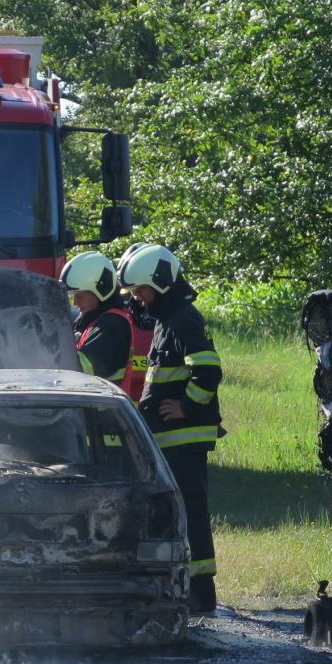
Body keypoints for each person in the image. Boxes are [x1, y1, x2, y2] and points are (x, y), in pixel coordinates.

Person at [117, 243, 223, 614]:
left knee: (190, 511)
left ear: (160, 284)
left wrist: (186, 404)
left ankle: (201, 592)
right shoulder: (167, 320)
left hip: (185, 439)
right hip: (170, 439)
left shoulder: (183, 319)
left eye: (142, 290)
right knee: (177, 513)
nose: (139, 299)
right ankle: (184, 588)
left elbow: (209, 370)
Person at [59, 251, 151, 399]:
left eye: (80, 295)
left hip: (102, 415)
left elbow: (81, 370)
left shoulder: (112, 325)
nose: (75, 303)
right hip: (93, 411)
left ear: (101, 290)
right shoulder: (92, 321)